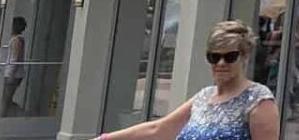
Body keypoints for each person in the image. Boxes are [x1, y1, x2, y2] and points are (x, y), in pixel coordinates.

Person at [93, 21, 276, 140]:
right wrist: (104, 139)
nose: (221, 63)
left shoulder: (258, 100)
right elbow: (158, 129)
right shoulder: (204, 97)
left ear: (244, 57)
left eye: (230, 57)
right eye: (214, 57)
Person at [0, 16, 24, 113]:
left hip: (13, 75)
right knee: (7, 98)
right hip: (13, 74)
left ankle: (8, 114)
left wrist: (10, 74)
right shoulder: (16, 39)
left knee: (6, 99)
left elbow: (15, 58)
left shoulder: (16, 40)